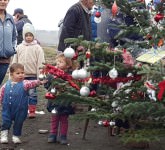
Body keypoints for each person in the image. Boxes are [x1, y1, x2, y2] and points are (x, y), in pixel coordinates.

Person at [0, 63, 47, 144]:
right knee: (6, 121)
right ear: (11, 74)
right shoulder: (5, 85)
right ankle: (4, 135)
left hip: (20, 109)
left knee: (19, 122)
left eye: (22, 73)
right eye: (18, 73)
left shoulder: (25, 83)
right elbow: (1, 94)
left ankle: (16, 136)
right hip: (7, 108)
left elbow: (33, 83)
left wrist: (40, 82)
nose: (21, 75)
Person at [12, 23, 45, 118]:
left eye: (30, 35)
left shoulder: (37, 48)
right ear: (23, 36)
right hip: (21, 75)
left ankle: (32, 111)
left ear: (33, 36)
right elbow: (15, 60)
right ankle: (21, 110)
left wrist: (40, 76)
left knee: (32, 93)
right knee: (21, 93)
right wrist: (13, 73)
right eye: (26, 35)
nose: (28, 37)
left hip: (33, 75)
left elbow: (41, 63)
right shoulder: (19, 47)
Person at [46, 53, 78, 144]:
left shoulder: (70, 76)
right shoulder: (53, 73)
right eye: (57, 62)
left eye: (60, 62)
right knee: (54, 118)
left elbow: (73, 87)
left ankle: (63, 136)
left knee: (64, 119)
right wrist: (50, 79)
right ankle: (53, 134)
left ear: (68, 65)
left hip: (66, 101)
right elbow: (47, 85)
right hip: (54, 99)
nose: (58, 64)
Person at [0, 0, 17, 85]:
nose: (3, 2)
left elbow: (14, 37)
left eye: (5, 0)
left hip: (5, 61)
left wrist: (12, 49)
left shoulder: (10, 19)